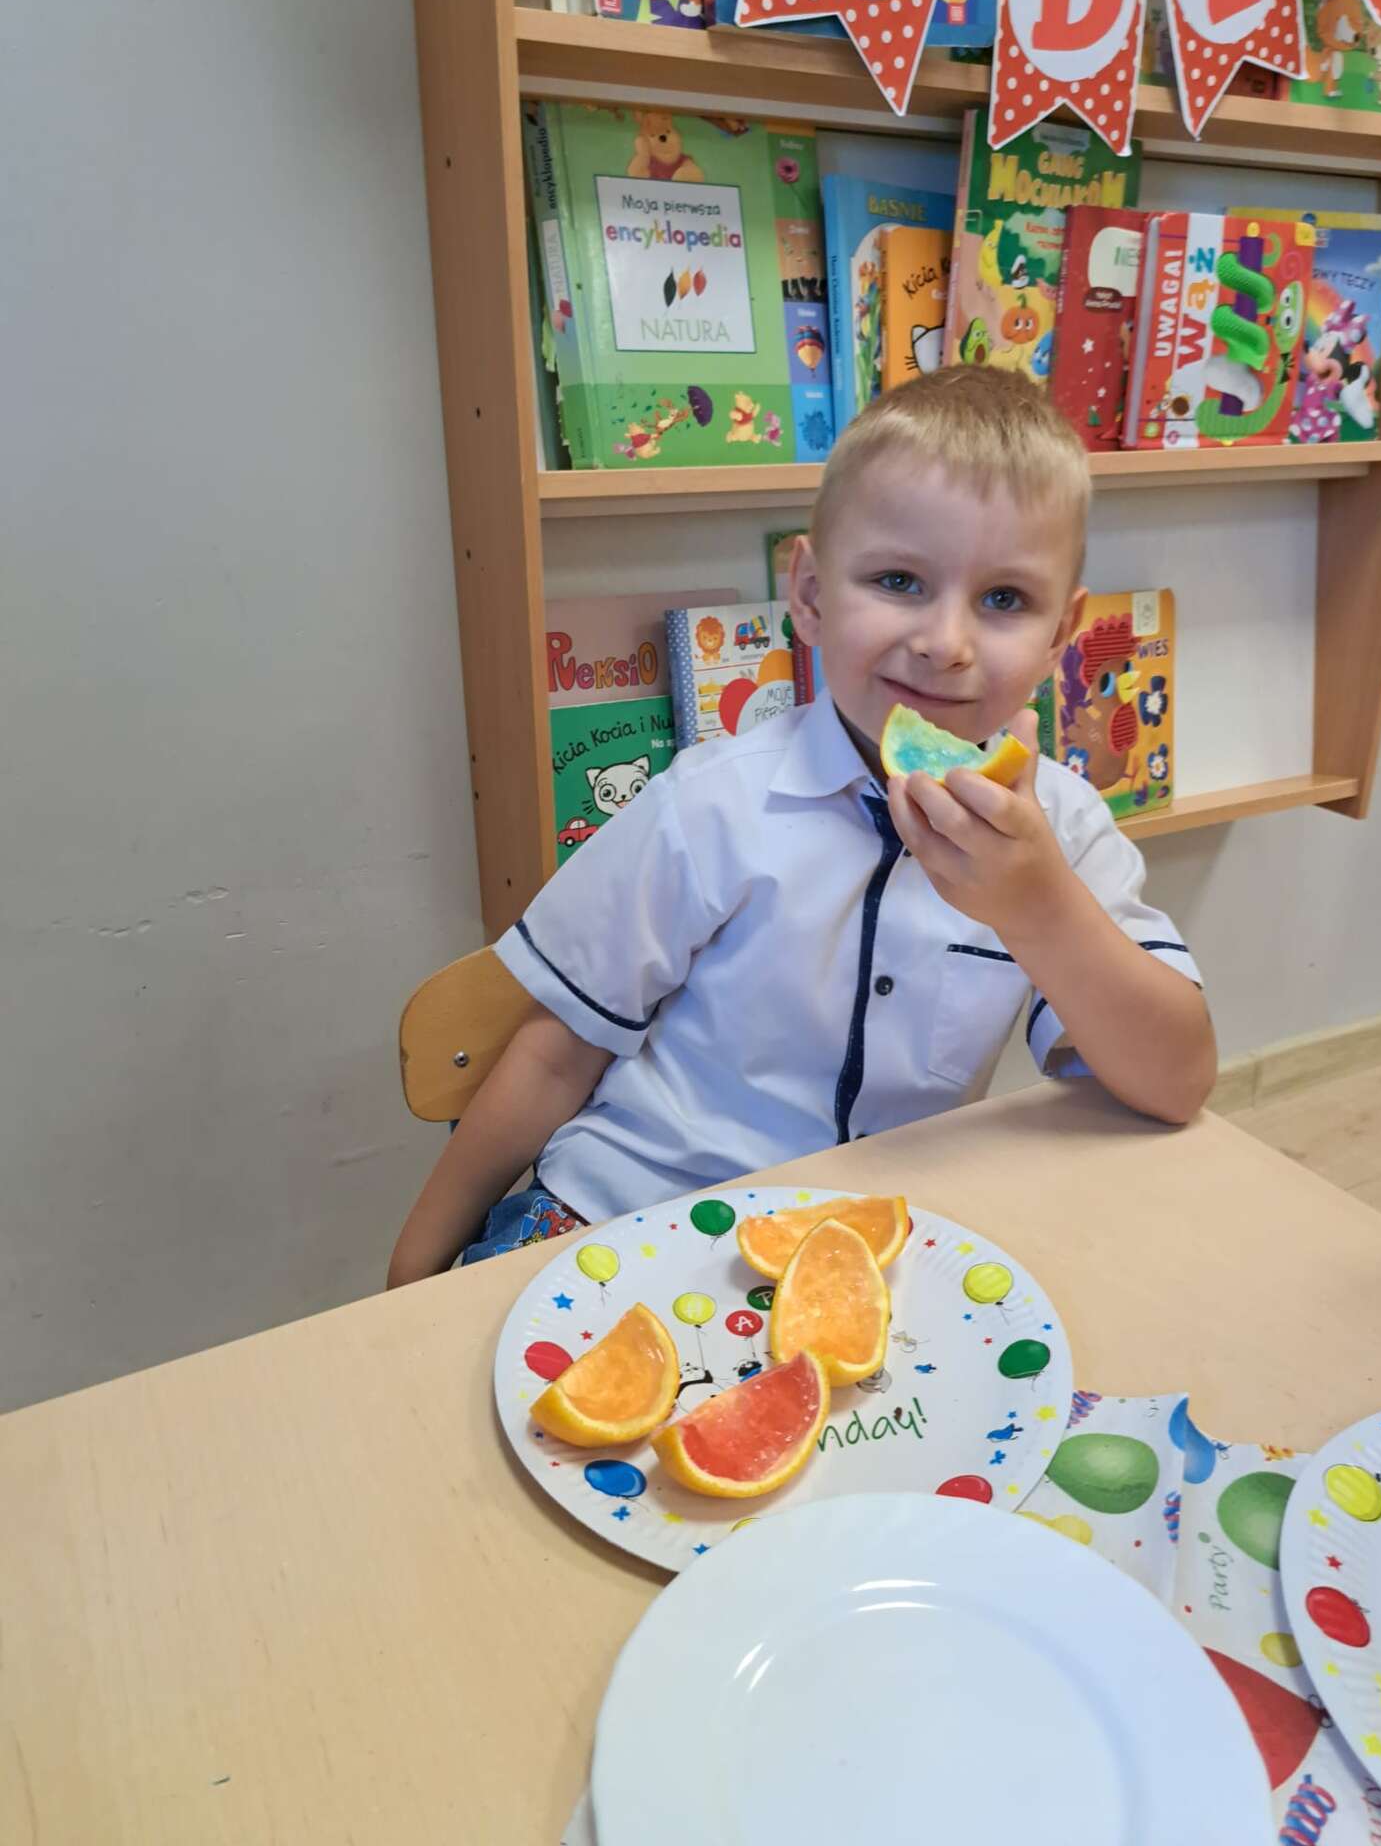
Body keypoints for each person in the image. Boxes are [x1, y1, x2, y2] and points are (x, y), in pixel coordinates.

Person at [387, 365, 1215, 1288]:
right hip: (624, 1208)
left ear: (1062, 634)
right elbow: (556, 1053)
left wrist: (1038, 907)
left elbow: (1175, 1084)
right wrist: (414, 1267)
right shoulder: (708, 807)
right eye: (899, 580)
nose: (946, 643)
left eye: (1004, 600)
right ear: (813, 596)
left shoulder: (1063, 831)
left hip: (858, 1253)